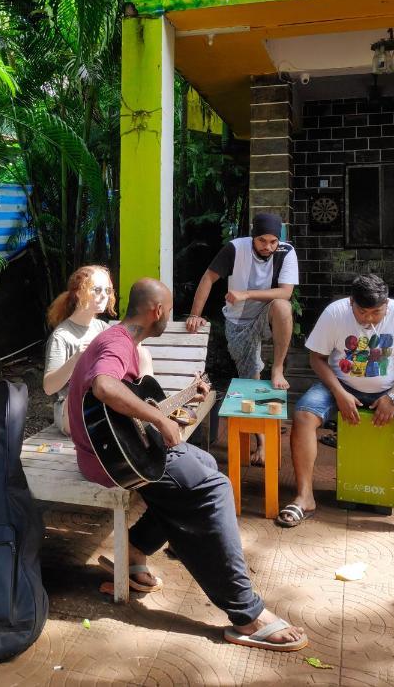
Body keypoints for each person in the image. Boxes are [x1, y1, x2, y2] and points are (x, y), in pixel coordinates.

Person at [66, 277, 307, 652]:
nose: (170, 318)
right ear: (156, 311)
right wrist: (161, 421)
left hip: (114, 451)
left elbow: (131, 408)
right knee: (213, 488)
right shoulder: (116, 343)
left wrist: (171, 408)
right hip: (107, 460)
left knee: (204, 463)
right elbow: (104, 387)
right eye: (169, 311)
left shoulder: (124, 341)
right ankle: (246, 615)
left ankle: (132, 554)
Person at [277, 274, 394, 552]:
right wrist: (340, 394)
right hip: (340, 384)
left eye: (376, 312)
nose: (369, 319)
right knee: (304, 415)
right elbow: (316, 358)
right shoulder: (335, 313)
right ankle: (304, 497)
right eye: (362, 312)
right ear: (351, 303)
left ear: (386, 304)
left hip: (392, 387)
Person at [186, 212, 298, 464]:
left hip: (265, 311)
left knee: (282, 306)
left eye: (273, 242)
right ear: (252, 237)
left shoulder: (286, 252)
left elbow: (286, 292)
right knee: (251, 378)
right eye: (262, 241)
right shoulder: (235, 249)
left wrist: (246, 294)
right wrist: (195, 314)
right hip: (238, 322)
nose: (268, 247)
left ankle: (278, 368)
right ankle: (261, 443)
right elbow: (208, 277)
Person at [44, 265, 152, 435]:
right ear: (79, 292)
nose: (104, 295)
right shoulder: (62, 336)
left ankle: (148, 406)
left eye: (108, 290)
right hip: (71, 408)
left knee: (142, 353)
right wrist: (76, 359)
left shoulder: (103, 328)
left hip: (101, 401)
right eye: (97, 289)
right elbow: (49, 387)